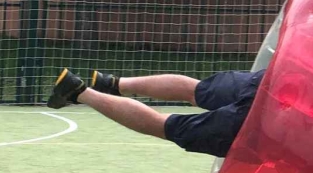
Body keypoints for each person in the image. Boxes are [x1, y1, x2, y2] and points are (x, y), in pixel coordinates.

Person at [46, 67, 262, 158]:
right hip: (269, 118)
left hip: (273, 81)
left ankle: (113, 84)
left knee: (197, 90)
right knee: (165, 126)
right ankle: (79, 92)